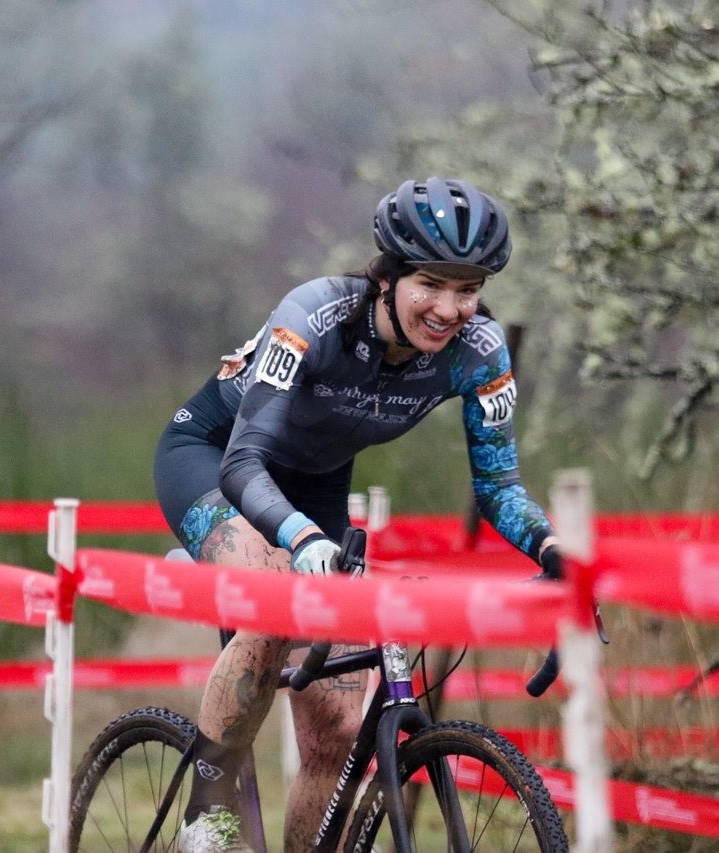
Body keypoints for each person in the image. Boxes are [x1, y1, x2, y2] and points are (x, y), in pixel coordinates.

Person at [153, 176, 563, 852]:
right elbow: (243, 459)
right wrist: (297, 536)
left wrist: (551, 552)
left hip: (316, 488)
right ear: (387, 277)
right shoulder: (314, 315)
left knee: (337, 729)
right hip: (216, 462)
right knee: (273, 601)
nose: (450, 308)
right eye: (432, 283)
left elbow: (497, 485)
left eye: (469, 289)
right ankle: (208, 814)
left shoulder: (481, 354)